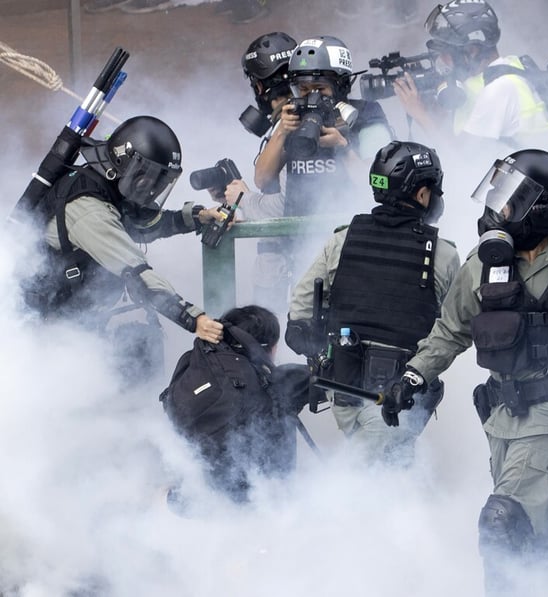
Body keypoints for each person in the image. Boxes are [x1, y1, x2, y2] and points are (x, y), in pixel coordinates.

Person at [380, 149, 548, 595]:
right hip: (502, 416)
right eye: (497, 197)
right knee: (533, 529)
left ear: (542, 206)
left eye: (510, 201)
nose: (497, 210)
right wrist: (413, 377)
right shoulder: (484, 262)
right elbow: (450, 330)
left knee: (503, 523)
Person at [285, 141, 460, 465]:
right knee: (373, 479)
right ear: (422, 194)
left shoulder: (342, 239)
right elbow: (452, 332)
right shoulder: (443, 254)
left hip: (342, 389)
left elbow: (300, 310)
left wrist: (321, 351)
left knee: (379, 470)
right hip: (399, 396)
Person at [16, 115, 225, 380]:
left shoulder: (105, 184)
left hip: (71, 315)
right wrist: (193, 319)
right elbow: (136, 273)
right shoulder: (88, 209)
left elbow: (141, 225)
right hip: (43, 328)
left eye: (160, 181)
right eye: (148, 179)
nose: (153, 188)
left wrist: (197, 217)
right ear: (125, 164)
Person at [161, 304, 312, 503]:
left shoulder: (198, 370)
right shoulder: (279, 383)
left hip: (191, 500)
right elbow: (336, 380)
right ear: (268, 348)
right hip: (258, 505)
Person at [254, 35, 394, 219]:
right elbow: (262, 180)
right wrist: (281, 132)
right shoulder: (293, 117)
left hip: (350, 230)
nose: (312, 96)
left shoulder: (366, 116)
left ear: (341, 86)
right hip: (297, 233)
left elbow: (380, 185)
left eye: (320, 89)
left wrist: (343, 148)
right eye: (303, 89)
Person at [394, 0, 548, 154]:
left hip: (535, 174)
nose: (442, 60)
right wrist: (431, 107)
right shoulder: (508, 67)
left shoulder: (500, 88)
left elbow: (460, 157)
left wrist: (418, 112)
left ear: (472, 50)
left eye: (446, 52)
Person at [224, 31, 298, 316]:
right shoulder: (291, 124)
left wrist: (244, 199)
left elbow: (284, 209)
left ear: (259, 85)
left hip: (291, 267)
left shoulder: (295, 128)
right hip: (286, 266)